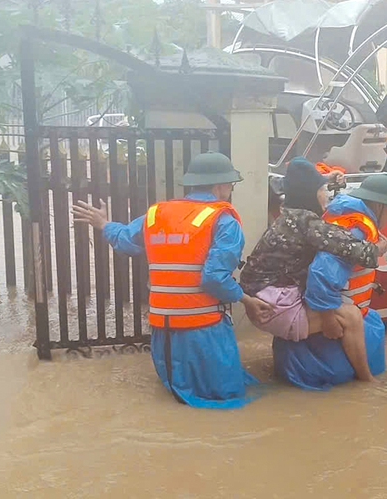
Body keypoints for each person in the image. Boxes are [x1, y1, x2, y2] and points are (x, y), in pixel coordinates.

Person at [72, 153, 272, 409]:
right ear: (220, 185)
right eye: (231, 184)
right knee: (226, 396)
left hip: (163, 331)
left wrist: (104, 223)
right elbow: (214, 278)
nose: (231, 190)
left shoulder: (156, 215)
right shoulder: (224, 221)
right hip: (205, 329)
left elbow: (126, 241)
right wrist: (247, 300)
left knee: (177, 394)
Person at [240, 157, 387, 382]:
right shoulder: (308, 224)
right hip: (274, 306)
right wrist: (379, 248)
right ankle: (367, 381)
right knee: (352, 317)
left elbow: (300, 176)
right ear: (310, 194)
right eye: (321, 189)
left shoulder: (287, 217)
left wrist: (327, 178)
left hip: (260, 299)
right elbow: (354, 249)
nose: (325, 195)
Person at [272, 174, 387, 390]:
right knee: (355, 324)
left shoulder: (342, 216)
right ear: (381, 206)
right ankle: (367, 381)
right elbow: (322, 273)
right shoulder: (357, 229)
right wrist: (328, 319)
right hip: (334, 314)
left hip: (314, 307)